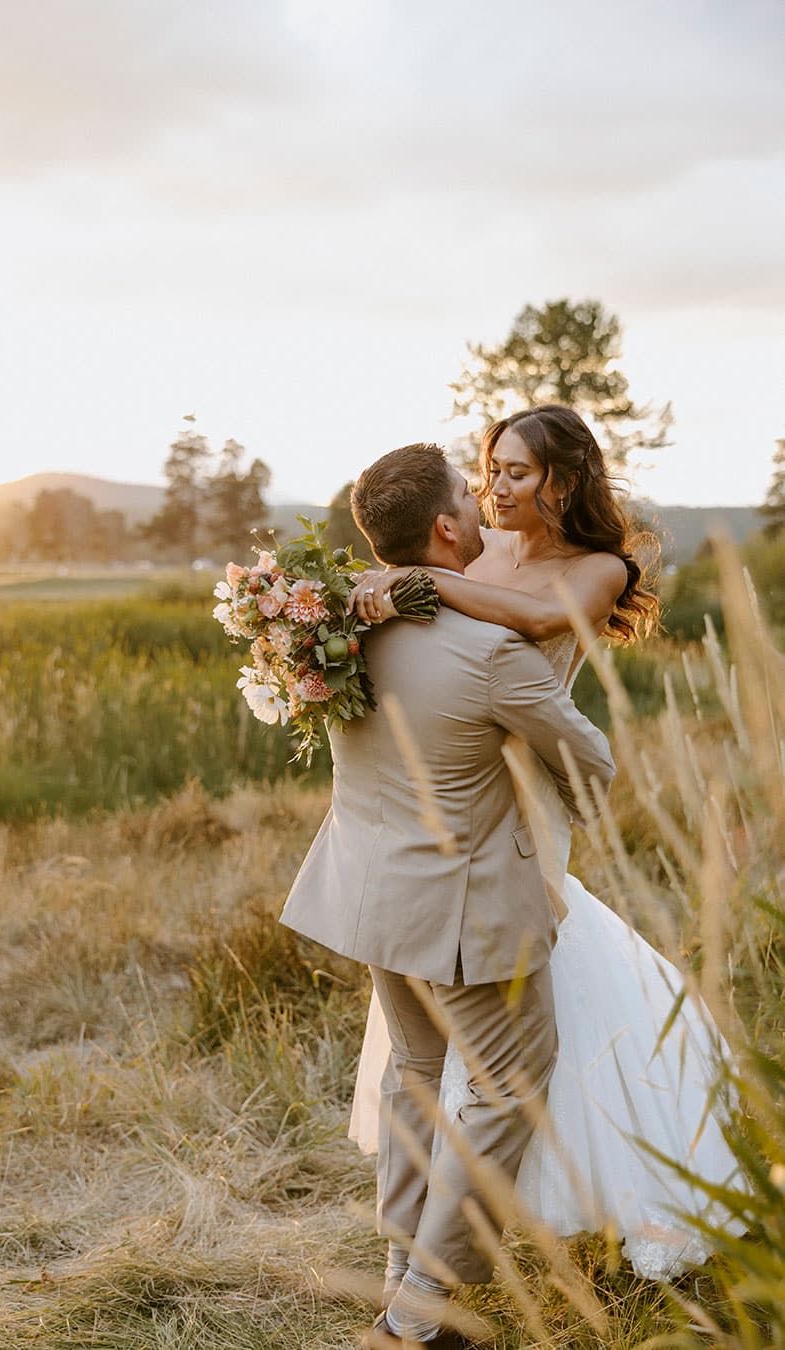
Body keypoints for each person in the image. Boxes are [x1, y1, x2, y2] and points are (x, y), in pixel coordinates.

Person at [347, 405, 747, 1293]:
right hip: (447, 795)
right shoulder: (477, 548)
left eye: (518, 473)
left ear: (564, 482)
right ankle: (427, 1255)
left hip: (524, 806)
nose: (495, 487)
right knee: (471, 1039)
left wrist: (425, 584)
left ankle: (603, 1201)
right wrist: (387, 585)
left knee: (551, 1005)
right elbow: (433, 579)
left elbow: (529, 624)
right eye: (490, 470)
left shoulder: (601, 568)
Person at [280, 440, 617, 1348]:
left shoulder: (339, 629)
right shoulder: (489, 654)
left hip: (370, 892)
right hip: (467, 903)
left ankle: (399, 1271)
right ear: (444, 526)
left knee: (419, 1075)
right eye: (469, 498)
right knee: (508, 1085)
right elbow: (591, 759)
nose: (481, 505)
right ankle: (421, 1312)